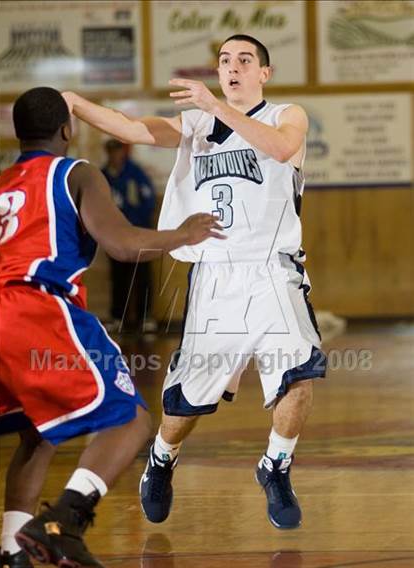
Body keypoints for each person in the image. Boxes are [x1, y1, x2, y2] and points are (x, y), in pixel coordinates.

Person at [62, 34, 327, 532]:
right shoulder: (195, 125)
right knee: (184, 405)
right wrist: (76, 102)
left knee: (301, 373)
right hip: (215, 277)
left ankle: (276, 464)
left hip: (274, 269)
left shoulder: (287, 115)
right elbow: (131, 128)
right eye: (225, 60)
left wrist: (213, 106)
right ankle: (162, 458)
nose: (232, 67)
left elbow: (282, 147)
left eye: (244, 60)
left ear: (263, 73)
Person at [0, 87, 223, 567]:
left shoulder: (0, 183)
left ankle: (11, 550)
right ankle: (63, 522)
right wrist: (183, 233)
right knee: (130, 420)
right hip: (34, 307)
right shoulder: (75, 171)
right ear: (67, 130)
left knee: (39, 431)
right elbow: (121, 243)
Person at [102, 139, 156, 332]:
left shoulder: (135, 173)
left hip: (139, 233)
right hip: (116, 236)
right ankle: (118, 317)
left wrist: (135, 221)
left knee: (142, 276)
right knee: (119, 276)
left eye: (117, 151)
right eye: (111, 152)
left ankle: (145, 317)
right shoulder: (104, 175)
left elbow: (148, 201)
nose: (115, 156)